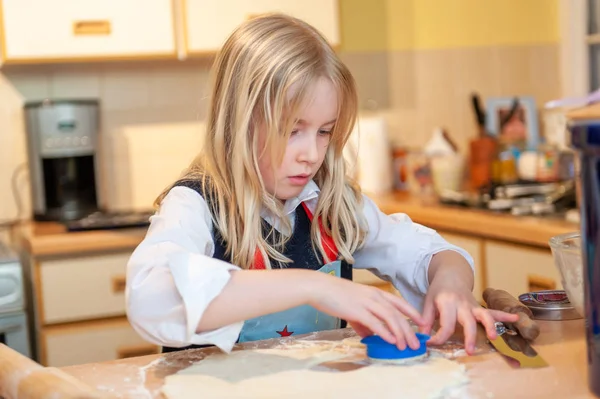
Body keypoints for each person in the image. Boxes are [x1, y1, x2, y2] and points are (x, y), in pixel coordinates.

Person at [126, 13, 517, 356]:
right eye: (292, 130)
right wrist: (315, 287)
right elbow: (151, 298)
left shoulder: (330, 202)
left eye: (324, 131)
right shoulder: (195, 204)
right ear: (238, 122)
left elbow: (432, 253)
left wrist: (450, 285)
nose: (311, 154)